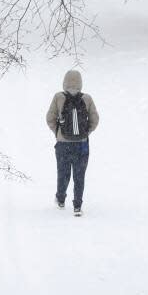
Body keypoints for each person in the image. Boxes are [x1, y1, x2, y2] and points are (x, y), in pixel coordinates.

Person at [46, 69, 99, 216]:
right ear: (81, 83)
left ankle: (61, 200)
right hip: (81, 145)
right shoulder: (87, 99)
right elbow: (95, 120)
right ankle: (77, 206)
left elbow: (50, 117)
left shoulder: (58, 97)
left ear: (64, 82)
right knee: (79, 175)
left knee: (63, 173)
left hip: (63, 144)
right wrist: (86, 132)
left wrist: (58, 133)